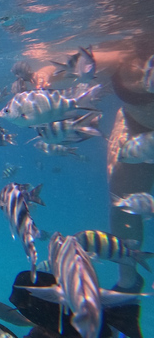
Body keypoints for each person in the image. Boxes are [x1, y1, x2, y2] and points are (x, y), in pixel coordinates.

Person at [33, 42, 154, 294]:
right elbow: (70, 69)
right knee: (122, 199)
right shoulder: (125, 57)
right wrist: (44, 77)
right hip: (137, 131)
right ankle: (128, 284)